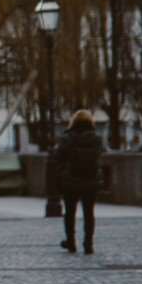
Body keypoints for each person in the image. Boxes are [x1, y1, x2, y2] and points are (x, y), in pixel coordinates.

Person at [52, 109, 103, 254]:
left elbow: (58, 158)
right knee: (89, 213)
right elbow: (99, 157)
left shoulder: (67, 138)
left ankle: (71, 242)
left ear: (73, 121)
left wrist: (61, 174)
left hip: (71, 180)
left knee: (70, 212)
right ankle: (88, 244)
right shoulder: (96, 139)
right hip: (90, 180)